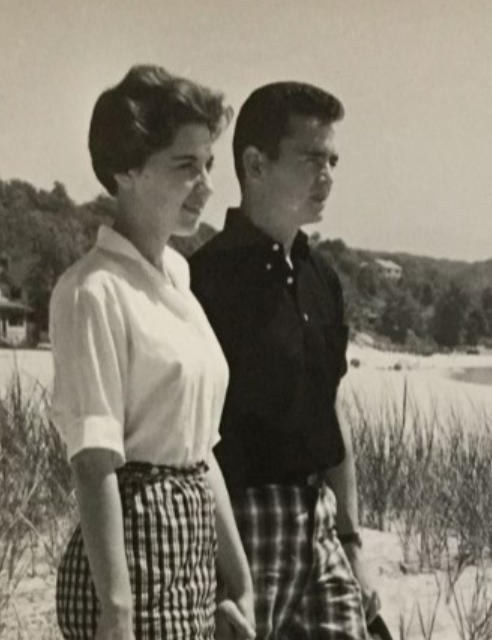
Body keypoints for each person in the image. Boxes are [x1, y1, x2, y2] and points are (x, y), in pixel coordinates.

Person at [49, 64, 255, 640]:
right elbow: (94, 466)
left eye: (209, 164)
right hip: (130, 566)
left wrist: (239, 582)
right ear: (126, 169)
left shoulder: (178, 279)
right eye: (186, 166)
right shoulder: (93, 290)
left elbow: (199, 448)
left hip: (190, 559)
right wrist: (117, 616)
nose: (208, 186)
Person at [189, 81, 379, 640]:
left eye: (334, 160)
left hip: (318, 523)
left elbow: (330, 416)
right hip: (239, 528)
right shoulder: (202, 283)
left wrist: (352, 543)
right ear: (255, 164)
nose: (328, 176)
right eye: (311, 158)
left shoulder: (323, 280)